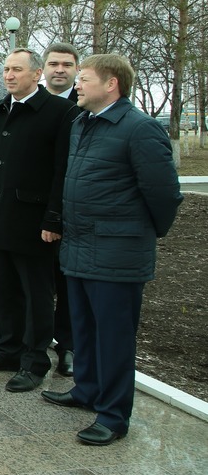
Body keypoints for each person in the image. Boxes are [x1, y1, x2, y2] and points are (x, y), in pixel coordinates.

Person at [41, 54, 182, 446]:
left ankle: (114, 415)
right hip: (80, 246)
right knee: (83, 328)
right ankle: (86, 390)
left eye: (84, 79)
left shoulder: (139, 129)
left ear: (111, 85)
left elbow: (165, 193)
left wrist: (140, 233)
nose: (77, 85)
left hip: (117, 252)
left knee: (114, 337)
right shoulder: (82, 123)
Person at [0, 48, 78, 393]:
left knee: (36, 295)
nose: (9, 76)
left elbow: (61, 171)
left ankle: (34, 360)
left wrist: (54, 218)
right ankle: (7, 350)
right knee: (4, 291)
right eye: (6, 70)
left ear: (36, 74)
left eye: (17, 70)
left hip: (34, 223)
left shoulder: (60, 112)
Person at [43, 41, 82, 376]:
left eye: (66, 65)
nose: (59, 69)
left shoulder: (83, 107)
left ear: (75, 70)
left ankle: (66, 345)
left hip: (68, 212)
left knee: (65, 282)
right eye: (53, 63)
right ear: (44, 68)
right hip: (28, 210)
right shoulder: (29, 104)